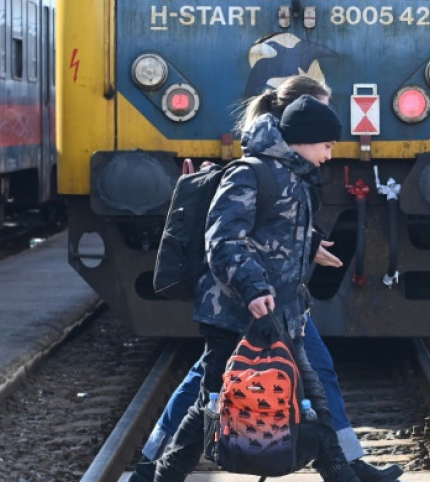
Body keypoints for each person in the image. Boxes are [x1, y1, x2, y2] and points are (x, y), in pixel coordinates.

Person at [131, 76, 402, 482]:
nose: (331, 154)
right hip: (238, 310)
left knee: (312, 396)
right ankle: (158, 471)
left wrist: (308, 245)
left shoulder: (295, 175)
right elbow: (224, 239)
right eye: (327, 145)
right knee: (210, 402)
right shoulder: (252, 172)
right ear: (303, 133)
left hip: (282, 310)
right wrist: (255, 287)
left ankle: (343, 470)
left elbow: (277, 226)